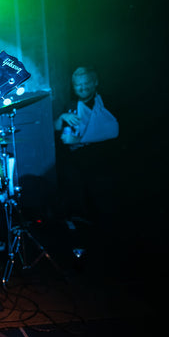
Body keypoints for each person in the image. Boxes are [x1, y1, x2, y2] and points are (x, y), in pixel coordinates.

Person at [54, 66, 119, 228]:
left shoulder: (106, 102)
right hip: (79, 171)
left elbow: (112, 131)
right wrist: (62, 117)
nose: (82, 88)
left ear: (95, 82)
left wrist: (78, 140)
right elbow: (58, 134)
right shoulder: (71, 107)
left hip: (103, 167)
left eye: (86, 83)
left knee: (105, 212)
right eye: (78, 85)